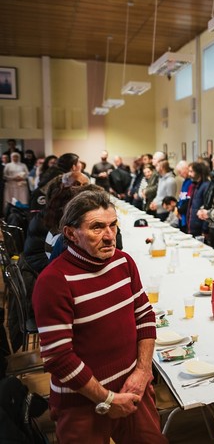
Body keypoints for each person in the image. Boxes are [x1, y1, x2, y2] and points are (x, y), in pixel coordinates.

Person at [31, 189, 167, 443]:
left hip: (132, 387)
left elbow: (145, 316)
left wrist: (142, 371)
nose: (109, 236)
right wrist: (106, 399)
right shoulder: (54, 281)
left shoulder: (123, 263)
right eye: (97, 228)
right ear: (71, 234)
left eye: (113, 226)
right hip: (81, 401)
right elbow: (58, 357)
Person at [186, 161, 211, 238]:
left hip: (200, 227)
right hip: (193, 225)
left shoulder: (206, 185)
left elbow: (207, 206)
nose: (189, 174)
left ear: (198, 172)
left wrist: (205, 229)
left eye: (191, 171)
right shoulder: (195, 185)